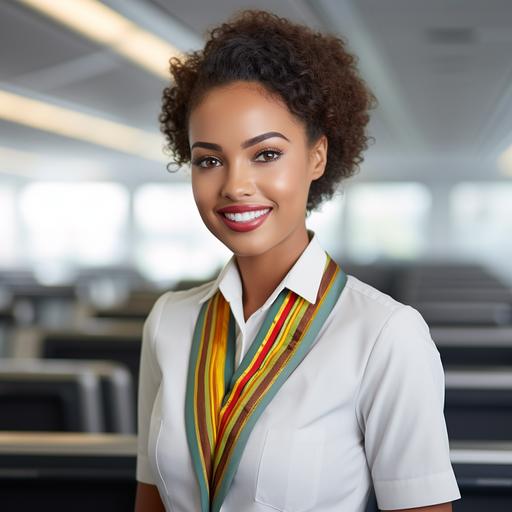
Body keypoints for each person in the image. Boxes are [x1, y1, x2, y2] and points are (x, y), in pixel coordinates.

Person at [134, 9, 461, 512]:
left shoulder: (384, 334)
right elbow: (151, 501)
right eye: (209, 159)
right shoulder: (168, 322)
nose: (235, 185)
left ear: (317, 157)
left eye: (265, 154)